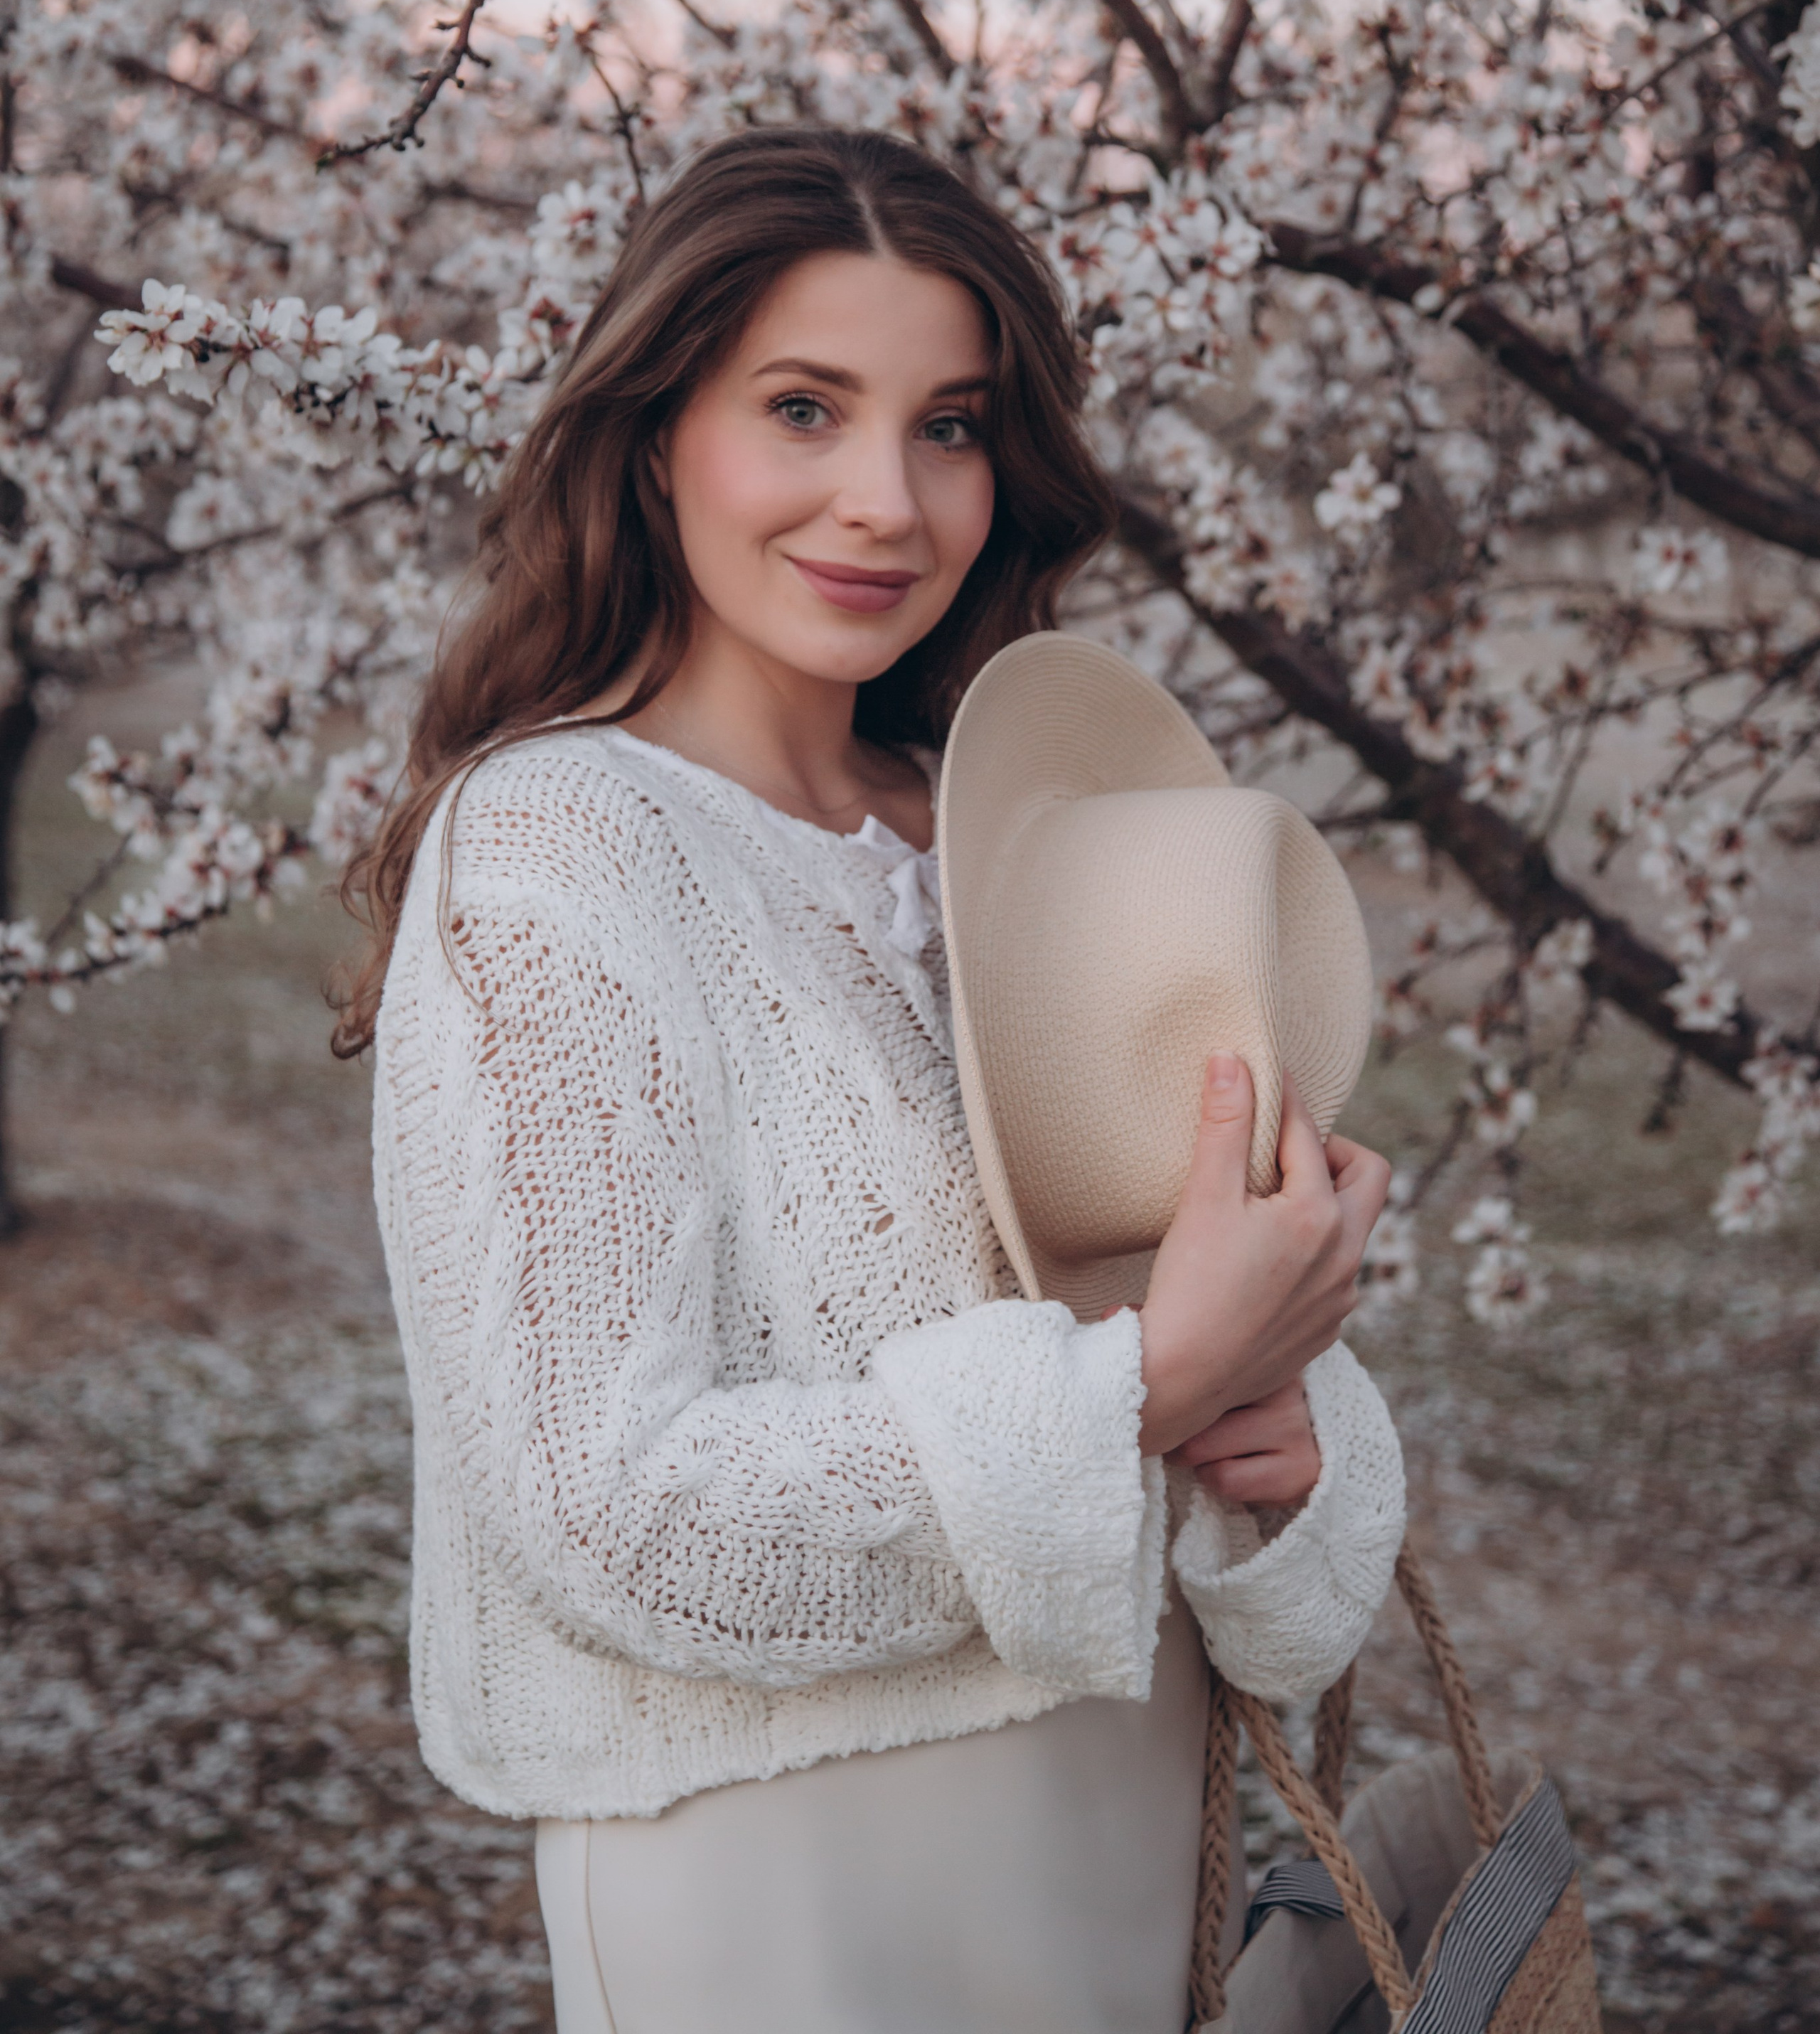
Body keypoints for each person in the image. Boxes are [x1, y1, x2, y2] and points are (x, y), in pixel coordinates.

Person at [336, 127, 1402, 2034]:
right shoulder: (562, 844)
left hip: (1123, 1822)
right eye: (805, 408)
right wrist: (1150, 1386)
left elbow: (1167, 1375)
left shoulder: (997, 835)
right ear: (658, 430)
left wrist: (1285, 1434)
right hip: (789, 1875)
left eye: (952, 426)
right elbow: (602, 1508)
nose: (885, 501)